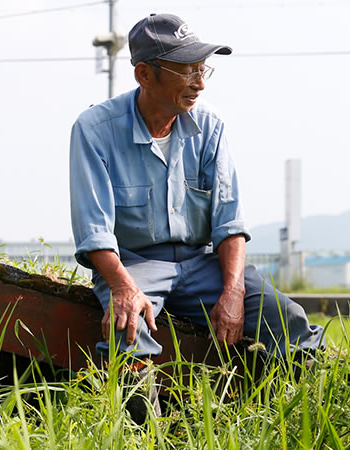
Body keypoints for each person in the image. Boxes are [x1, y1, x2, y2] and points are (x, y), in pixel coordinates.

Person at [69, 13, 324, 421]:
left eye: (202, 70)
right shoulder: (95, 130)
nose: (200, 83)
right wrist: (124, 288)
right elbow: (94, 229)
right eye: (186, 71)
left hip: (200, 262)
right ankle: (141, 437)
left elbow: (228, 221)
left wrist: (233, 292)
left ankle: (302, 420)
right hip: (133, 265)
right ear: (144, 74)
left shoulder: (210, 126)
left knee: (287, 317)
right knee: (128, 328)